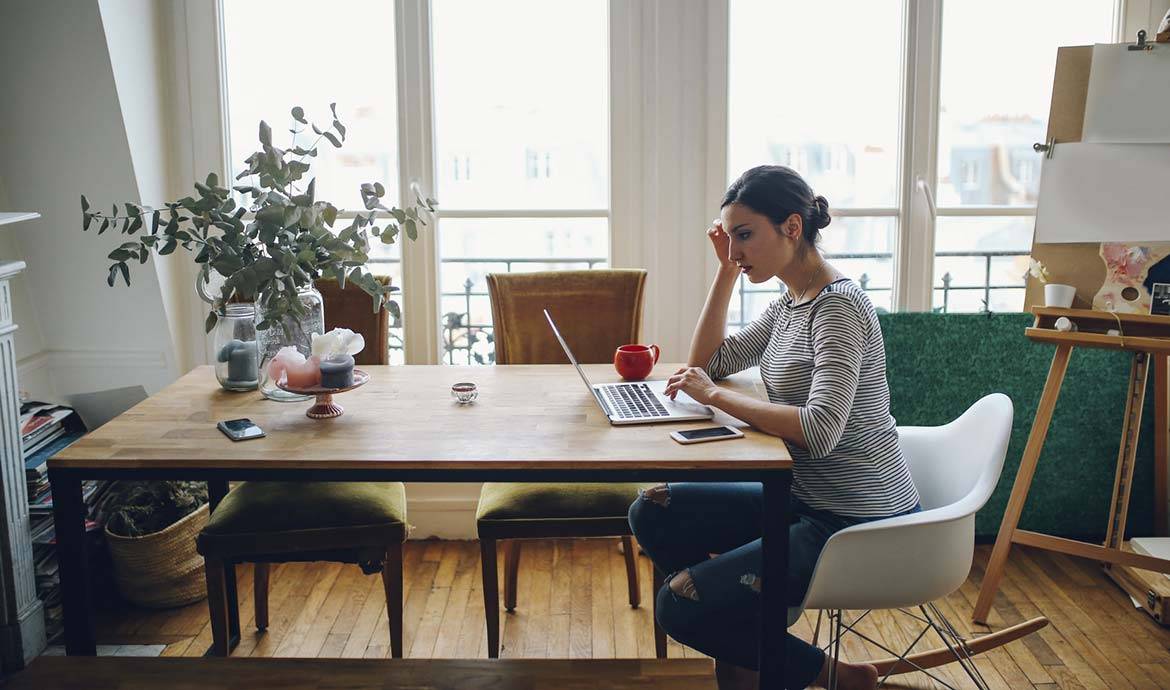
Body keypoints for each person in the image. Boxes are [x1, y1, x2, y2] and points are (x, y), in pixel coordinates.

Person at [628, 165, 921, 690]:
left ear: (791, 226)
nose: (736, 249)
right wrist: (724, 272)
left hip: (851, 519)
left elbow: (821, 429)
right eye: (731, 237)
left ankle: (836, 676)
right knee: (653, 507)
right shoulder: (792, 301)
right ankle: (739, 632)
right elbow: (709, 362)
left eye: (745, 236)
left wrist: (715, 398)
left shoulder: (839, 307)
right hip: (800, 495)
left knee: (678, 604)